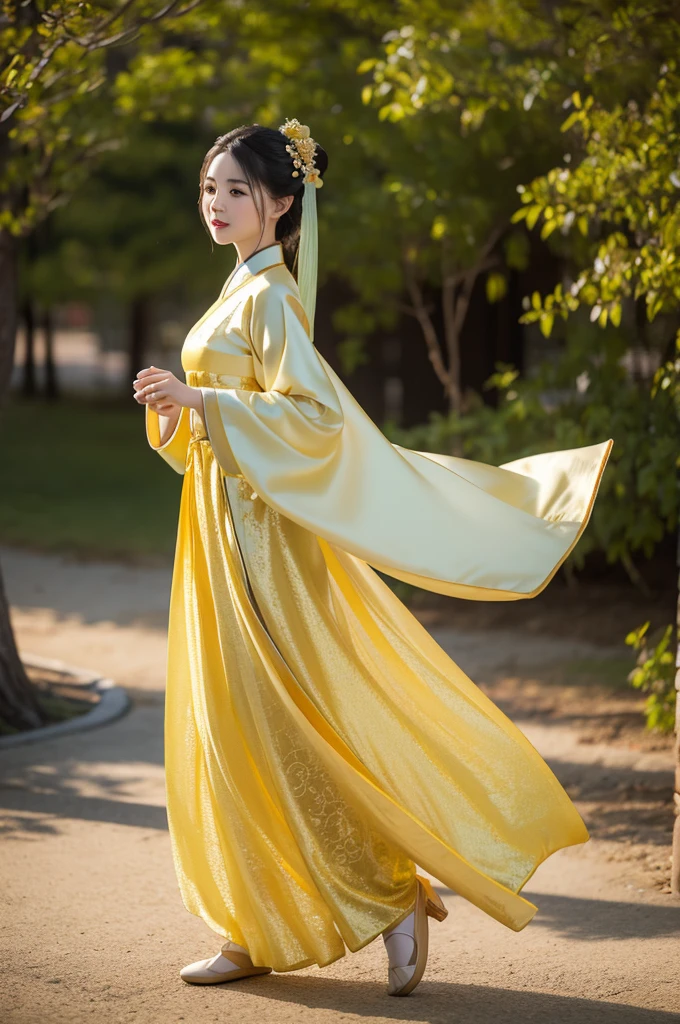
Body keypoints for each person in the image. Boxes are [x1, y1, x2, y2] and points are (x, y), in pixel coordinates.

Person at [133, 118, 612, 997]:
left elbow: (314, 421)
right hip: (216, 529)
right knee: (231, 727)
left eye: (236, 191)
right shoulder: (236, 290)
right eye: (211, 189)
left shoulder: (270, 299)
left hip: (266, 548)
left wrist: (200, 394)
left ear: (282, 204)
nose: (218, 203)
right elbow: (221, 425)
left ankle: (390, 893)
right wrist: (178, 410)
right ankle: (251, 924)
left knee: (290, 728)